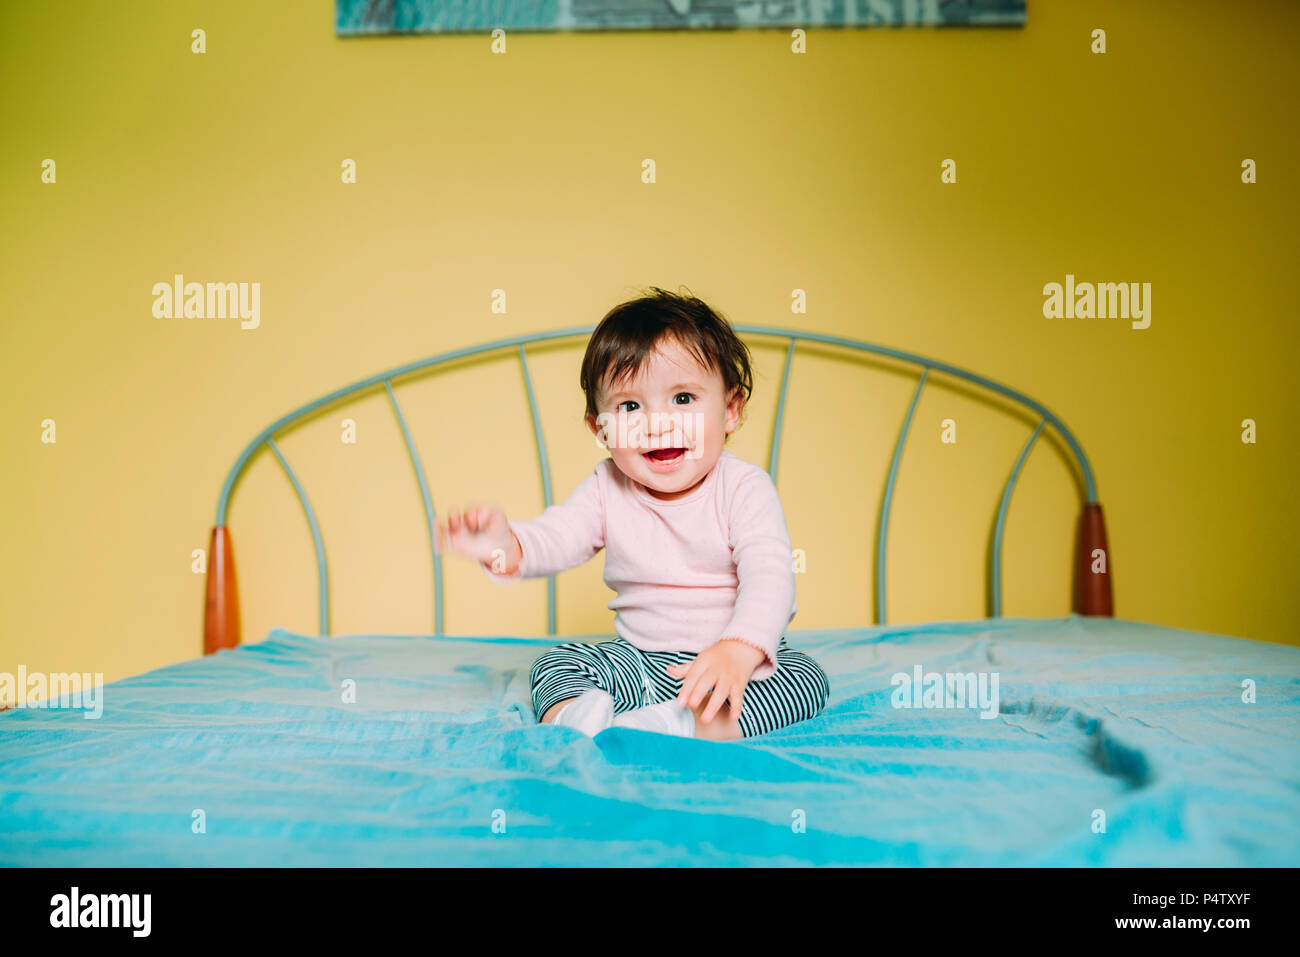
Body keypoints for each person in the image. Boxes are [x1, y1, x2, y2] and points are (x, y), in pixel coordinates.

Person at [437, 286, 830, 739]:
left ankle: (685, 725)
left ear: (730, 410)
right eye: (629, 406)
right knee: (555, 662)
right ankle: (579, 718)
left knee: (804, 679)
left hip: (729, 665)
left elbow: (770, 576)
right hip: (638, 663)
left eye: (683, 399)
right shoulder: (607, 489)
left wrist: (739, 649)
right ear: (599, 427)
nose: (658, 423)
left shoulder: (743, 488)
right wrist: (505, 547)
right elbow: (558, 537)